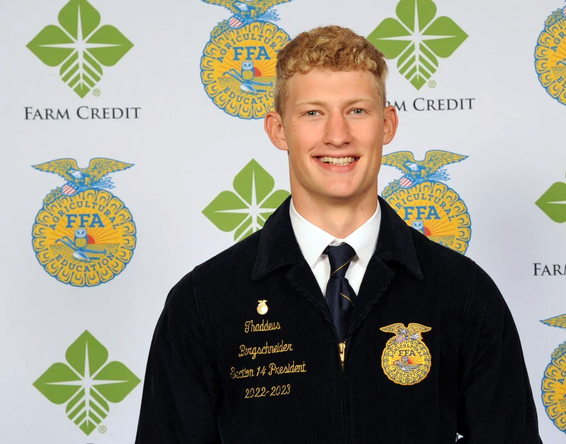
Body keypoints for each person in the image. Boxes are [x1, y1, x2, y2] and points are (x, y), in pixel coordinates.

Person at [135, 26, 542, 444]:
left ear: (387, 124)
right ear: (278, 130)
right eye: (312, 112)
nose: (337, 135)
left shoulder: (463, 294)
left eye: (357, 111)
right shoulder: (204, 301)